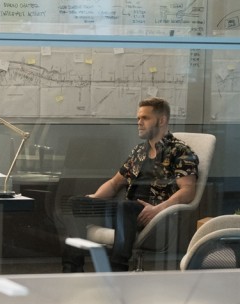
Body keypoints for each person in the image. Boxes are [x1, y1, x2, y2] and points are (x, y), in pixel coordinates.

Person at [62, 97, 199, 272]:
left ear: (162, 120)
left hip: (154, 215)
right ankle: (72, 270)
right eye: (138, 118)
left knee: (125, 207)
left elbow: (188, 190)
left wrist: (157, 209)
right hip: (125, 212)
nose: (139, 122)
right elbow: (114, 183)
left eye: (145, 118)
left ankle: (117, 270)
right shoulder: (139, 151)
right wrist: (93, 200)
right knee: (75, 203)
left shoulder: (178, 151)